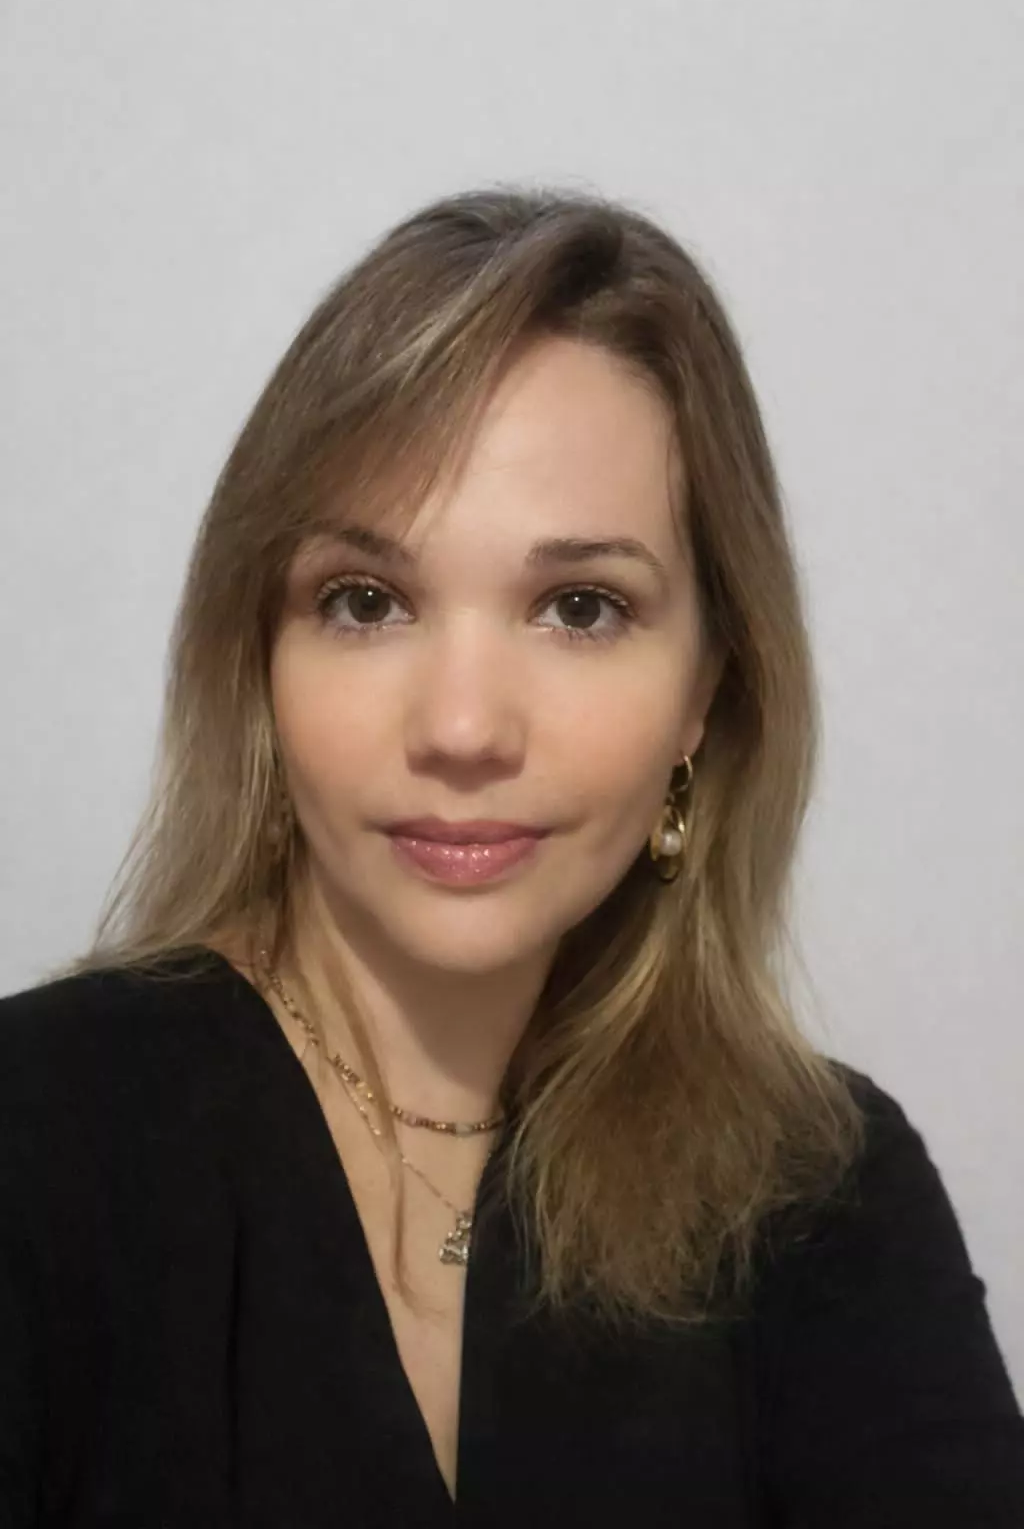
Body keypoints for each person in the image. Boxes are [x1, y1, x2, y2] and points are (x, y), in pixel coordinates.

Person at [2, 184, 1023, 1528]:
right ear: (258, 661)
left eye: (580, 608)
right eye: (365, 601)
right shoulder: (32, 1140)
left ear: (707, 691)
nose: (464, 728)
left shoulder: (823, 1192)